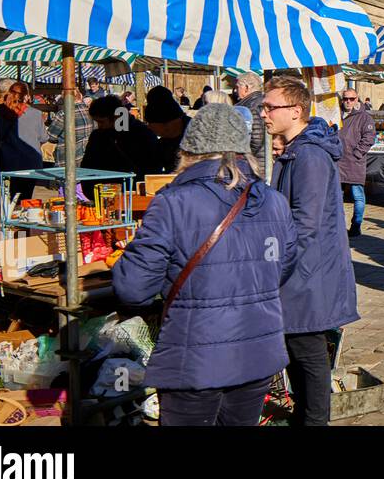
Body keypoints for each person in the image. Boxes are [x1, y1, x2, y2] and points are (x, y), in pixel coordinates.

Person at [112, 103, 298, 426]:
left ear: (190, 150)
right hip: (258, 353)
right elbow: (283, 267)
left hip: (194, 360)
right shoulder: (275, 202)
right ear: (242, 150)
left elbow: (132, 288)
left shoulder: (172, 202)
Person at [261, 76, 359, 425]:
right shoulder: (293, 151)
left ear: (296, 111)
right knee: (297, 350)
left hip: (307, 273)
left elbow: (306, 223)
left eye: (270, 106)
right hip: (299, 271)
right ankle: (305, 416)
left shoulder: (310, 156)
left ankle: (314, 421)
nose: (264, 113)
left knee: (307, 351)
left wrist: (273, 263)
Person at [81, 94, 163, 179]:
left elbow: (153, 169)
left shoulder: (143, 134)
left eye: (101, 122)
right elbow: (88, 166)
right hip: (104, 188)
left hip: (135, 188)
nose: (99, 126)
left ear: (116, 117)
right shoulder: (98, 136)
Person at [0, 83, 44, 204]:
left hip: (8, 162)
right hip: (31, 162)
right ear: (26, 96)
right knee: (26, 198)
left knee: (9, 199)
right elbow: (43, 137)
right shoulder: (36, 114)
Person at [337, 87, 375, 238]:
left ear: (357, 99)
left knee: (357, 195)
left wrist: (357, 153)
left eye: (351, 99)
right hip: (338, 161)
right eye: (345, 99)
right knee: (336, 195)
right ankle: (338, 224)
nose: (348, 102)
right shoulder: (337, 113)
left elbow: (369, 137)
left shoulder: (364, 117)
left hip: (354, 162)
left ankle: (356, 225)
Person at [145, 86, 192, 174]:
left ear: (166, 125)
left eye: (151, 125)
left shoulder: (197, 134)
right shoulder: (162, 144)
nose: (149, 128)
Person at [47, 92, 94, 167]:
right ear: (80, 97)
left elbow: (50, 136)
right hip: (87, 157)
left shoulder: (63, 114)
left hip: (66, 159)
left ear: (66, 99)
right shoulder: (91, 112)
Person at [233, 73, 267, 166]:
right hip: (264, 159)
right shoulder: (264, 101)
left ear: (246, 88)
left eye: (237, 87)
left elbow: (257, 138)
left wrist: (244, 155)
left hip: (255, 162)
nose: (235, 91)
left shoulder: (250, 107)